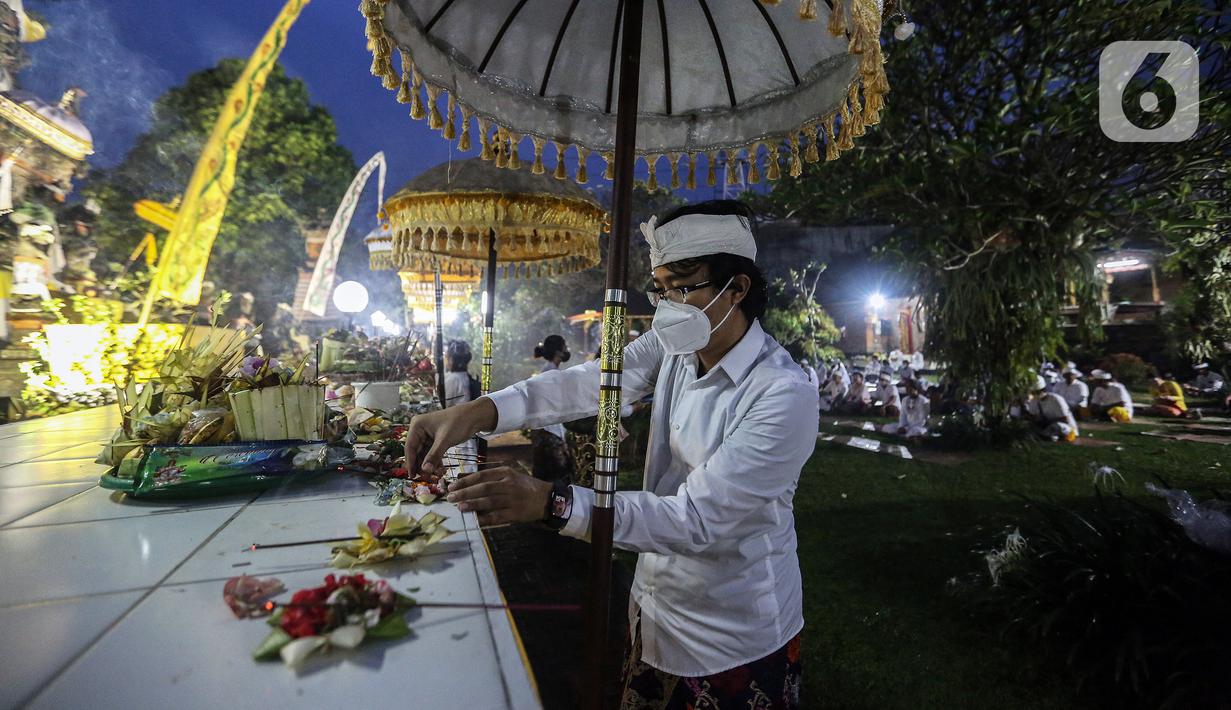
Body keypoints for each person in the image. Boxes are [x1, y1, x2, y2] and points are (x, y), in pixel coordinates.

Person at [406, 200, 816, 708]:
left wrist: (552, 502)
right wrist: (477, 411)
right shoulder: (674, 350)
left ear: (738, 288)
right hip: (652, 604)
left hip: (732, 629)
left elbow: (697, 520)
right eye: (661, 288)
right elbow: (591, 382)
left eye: (684, 287)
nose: (669, 305)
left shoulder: (782, 393)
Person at [529, 334, 574, 481]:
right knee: (558, 481)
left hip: (542, 432)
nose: (567, 350)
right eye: (564, 347)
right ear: (558, 352)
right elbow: (557, 410)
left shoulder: (545, 372)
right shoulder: (553, 375)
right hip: (551, 434)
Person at [442, 340, 479, 474]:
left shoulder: (452, 379)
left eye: (446, 357)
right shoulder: (465, 377)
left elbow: (443, 406)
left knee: (458, 470)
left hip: (456, 433)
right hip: (466, 432)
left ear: (451, 359)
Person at [1024, 375, 1079, 442]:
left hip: (1064, 426)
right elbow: (1032, 416)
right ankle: (1045, 435)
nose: (1035, 394)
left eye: (1037, 392)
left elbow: (1065, 419)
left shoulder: (1056, 399)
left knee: (1056, 426)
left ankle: (1047, 436)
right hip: (1045, 426)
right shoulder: (1034, 401)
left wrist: (1047, 422)